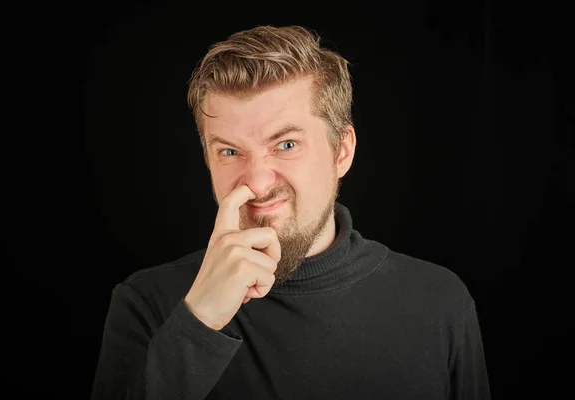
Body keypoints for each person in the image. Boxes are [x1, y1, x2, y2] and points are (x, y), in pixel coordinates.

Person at [90, 25, 490, 399]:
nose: (259, 183)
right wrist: (199, 321)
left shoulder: (439, 303)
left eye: (286, 145)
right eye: (230, 151)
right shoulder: (146, 304)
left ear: (342, 150)